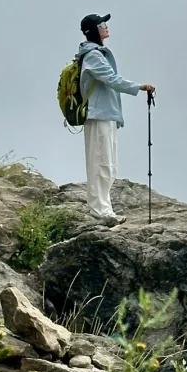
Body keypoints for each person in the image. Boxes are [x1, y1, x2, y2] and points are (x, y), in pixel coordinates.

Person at [77, 14, 155, 226]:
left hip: (106, 114)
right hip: (98, 114)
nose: (106, 27)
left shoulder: (98, 53)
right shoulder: (93, 56)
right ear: (92, 30)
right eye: (102, 25)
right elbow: (111, 79)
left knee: (108, 163)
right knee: (100, 161)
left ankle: (105, 208)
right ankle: (99, 210)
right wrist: (138, 87)